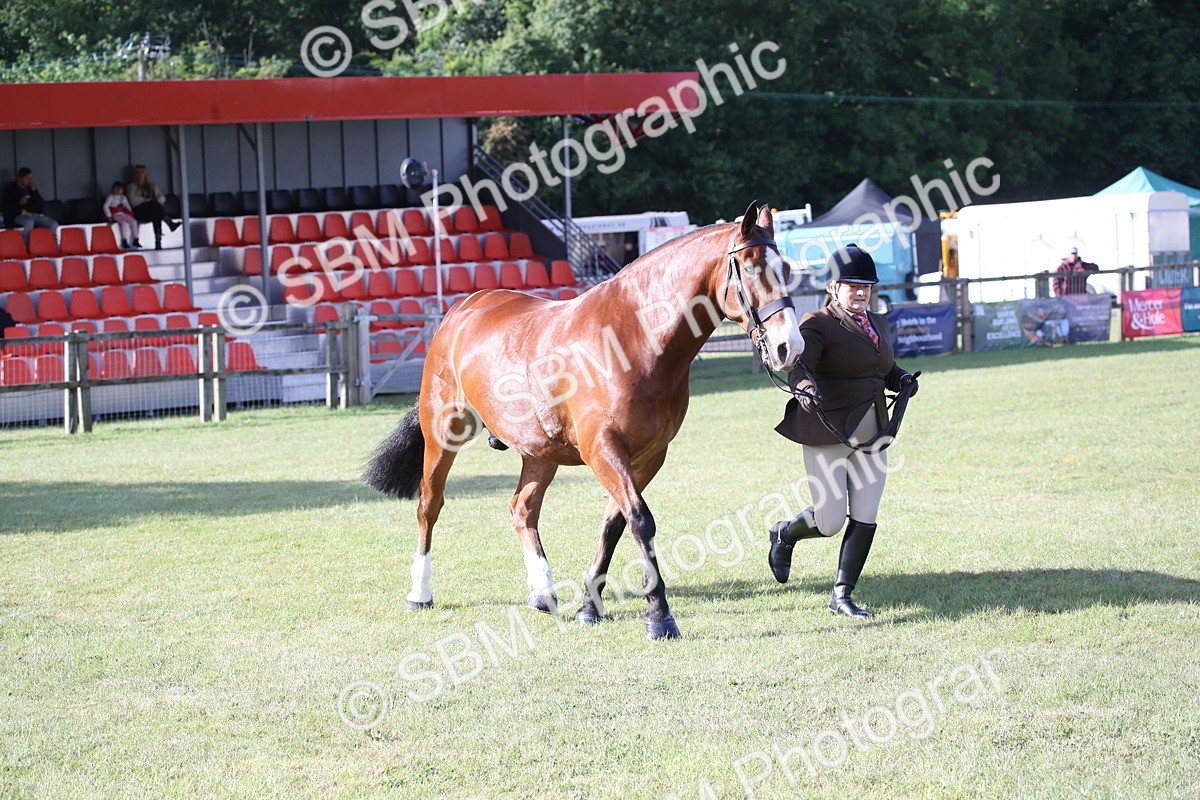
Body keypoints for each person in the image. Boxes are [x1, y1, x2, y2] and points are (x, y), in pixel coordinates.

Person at [768, 244, 919, 619]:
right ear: (832, 288)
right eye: (851, 285)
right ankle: (785, 534)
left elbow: (883, 366)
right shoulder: (817, 323)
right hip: (829, 430)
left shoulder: (879, 323)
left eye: (866, 285)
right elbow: (800, 365)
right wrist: (804, 387)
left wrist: (900, 378)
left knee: (866, 514)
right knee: (830, 521)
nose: (860, 292)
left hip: (873, 432)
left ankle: (842, 595)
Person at [126, 165, 179, 250]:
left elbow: (162, 198)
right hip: (139, 211)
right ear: (135, 175)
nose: (140, 175)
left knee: (156, 214)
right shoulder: (132, 186)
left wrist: (155, 201)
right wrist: (149, 201)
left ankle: (158, 242)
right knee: (154, 206)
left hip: (153, 211)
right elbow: (133, 201)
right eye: (138, 173)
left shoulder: (152, 185)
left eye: (142, 173)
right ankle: (169, 223)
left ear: (145, 174)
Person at [2, 167, 59, 245]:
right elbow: (6, 205)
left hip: (34, 215)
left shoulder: (31, 189)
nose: (30, 180)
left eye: (31, 178)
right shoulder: (12, 188)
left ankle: (52, 246)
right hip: (18, 215)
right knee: (29, 222)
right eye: (27, 178)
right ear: (20, 178)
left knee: (53, 224)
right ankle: (26, 247)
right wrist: (19, 203)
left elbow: (41, 203)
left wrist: (34, 192)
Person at [102, 181, 140, 249]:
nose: (118, 191)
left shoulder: (123, 197)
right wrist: (109, 215)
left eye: (120, 189)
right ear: (113, 189)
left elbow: (127, 206)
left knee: (134, 221)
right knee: (123, 222)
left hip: (122, 213)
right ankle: (124, 240)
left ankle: (136, 239)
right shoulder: (111, 197)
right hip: (115, 214)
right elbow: (105, 206)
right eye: (116, 189)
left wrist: (131, 213)